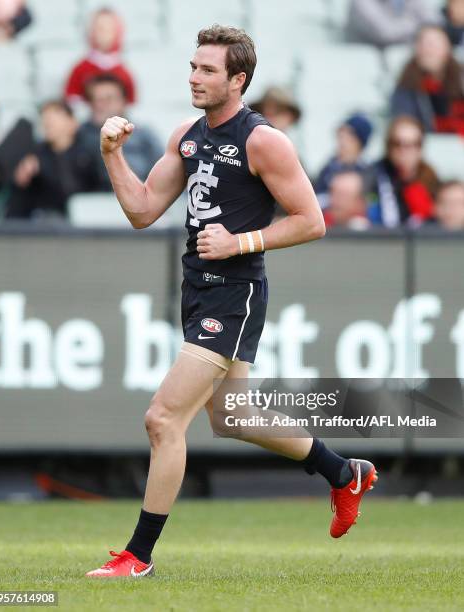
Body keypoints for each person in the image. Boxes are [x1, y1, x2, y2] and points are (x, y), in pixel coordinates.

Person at [85, 25, 378, 579]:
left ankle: (138, 556)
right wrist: (112, 155)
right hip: (197, 289)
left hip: (235, 295)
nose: (194, 77)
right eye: (193, 66)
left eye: (208, 70)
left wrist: (240, 242)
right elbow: (143, 210)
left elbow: (311, 221)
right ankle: (343, 473)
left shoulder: (263, 140)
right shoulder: (187, 136)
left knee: (162, 419)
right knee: (236, 416)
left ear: (238, 80)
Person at [4, 101, 95, 219]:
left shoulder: (90, 150)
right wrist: (22, 179)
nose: (48, 122)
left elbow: (102, 186)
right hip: (47, 220)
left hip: (88, 215)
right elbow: (18, 201)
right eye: (45, 118)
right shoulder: (33, 155)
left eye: (55, 116)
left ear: (73, 122)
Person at [79, 74, 162, 191]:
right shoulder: (80, 134)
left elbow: (163, 173)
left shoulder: (143, 134)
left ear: (123, 101)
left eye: (108, 99)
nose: (100, 105)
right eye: (96, 99)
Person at [367, 115, 439, 227]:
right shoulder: (373, 176)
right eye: (398, 144)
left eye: (413, 144)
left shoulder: (431, 180)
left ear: (421, 148)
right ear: (388, 146)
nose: (404, 151)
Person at [391, 25, 464, 134]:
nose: (428, 50)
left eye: (434, 44)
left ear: (447, 48)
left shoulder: (460, 79)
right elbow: (406, 126)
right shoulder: (406, 87)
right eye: (423, 44)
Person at [64, 8, 136, 107]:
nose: (104, 34)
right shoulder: (80, 69)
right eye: (100, 28)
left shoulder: (123, 72)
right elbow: (72, 101)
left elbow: (131, 103)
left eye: (109, 29)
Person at [315, 113, 373, 205]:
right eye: (341, 136)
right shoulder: (328, 168)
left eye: (350, 138)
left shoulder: (368, 173)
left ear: (360, 143)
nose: (343, 141)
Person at [346, 0, 439, 47]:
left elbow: (434, 23)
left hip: (400, 58)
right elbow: (386, 33)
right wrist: (418, 26)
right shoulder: (360, 2)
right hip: (360, 64)